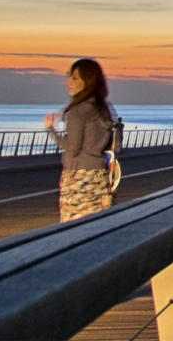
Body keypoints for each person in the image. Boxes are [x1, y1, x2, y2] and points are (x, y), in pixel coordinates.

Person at [44, 58, 115, 222]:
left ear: (88, 81)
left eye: (75, 78)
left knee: (73, 230)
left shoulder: (78, 111)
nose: (69, 82)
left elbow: (73, 148)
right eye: (69, 77)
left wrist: (50, 129)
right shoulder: (103, 108)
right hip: (99, 176)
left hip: (79, 179)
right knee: (97, 227)